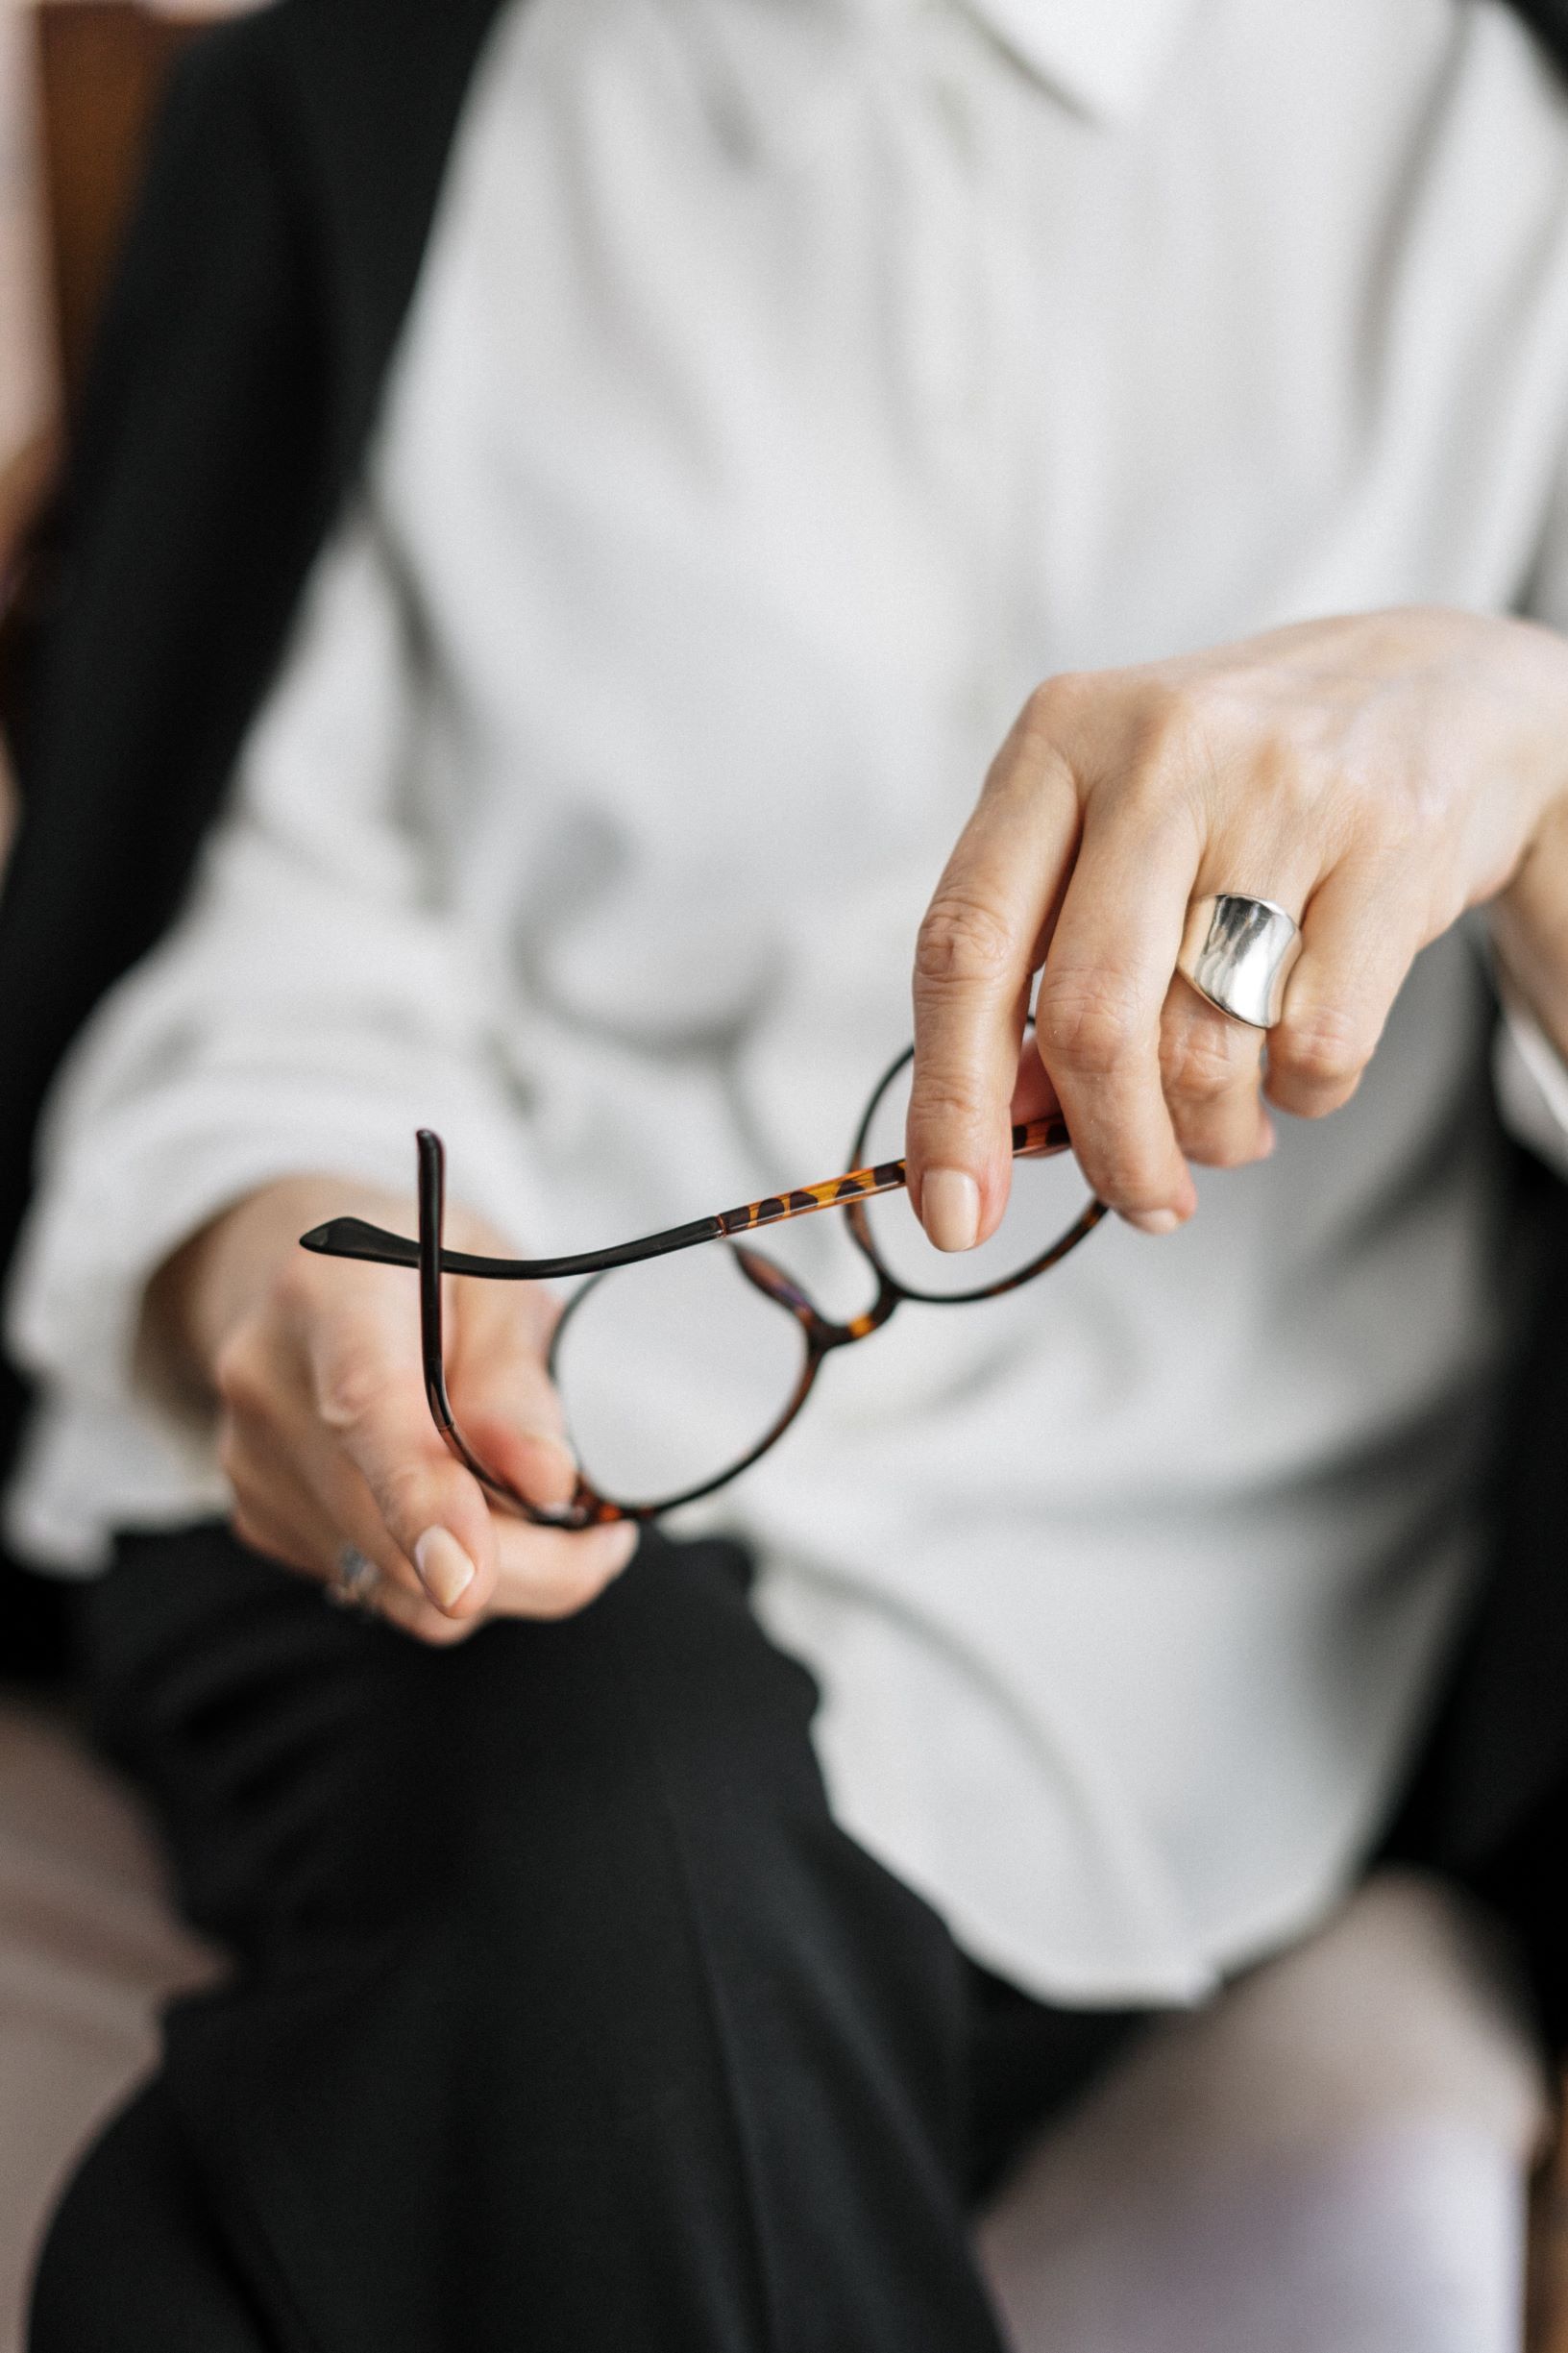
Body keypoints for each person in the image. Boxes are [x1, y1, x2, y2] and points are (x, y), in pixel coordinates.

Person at [11, 0, 1568, 2344]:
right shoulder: (378, 104)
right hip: (421, 1554)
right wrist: (281, 1263)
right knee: (610, 1773)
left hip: (1190, 1680)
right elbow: (273, 950)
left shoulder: (1501, 147)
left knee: (276, 2203)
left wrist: (1531, 762)